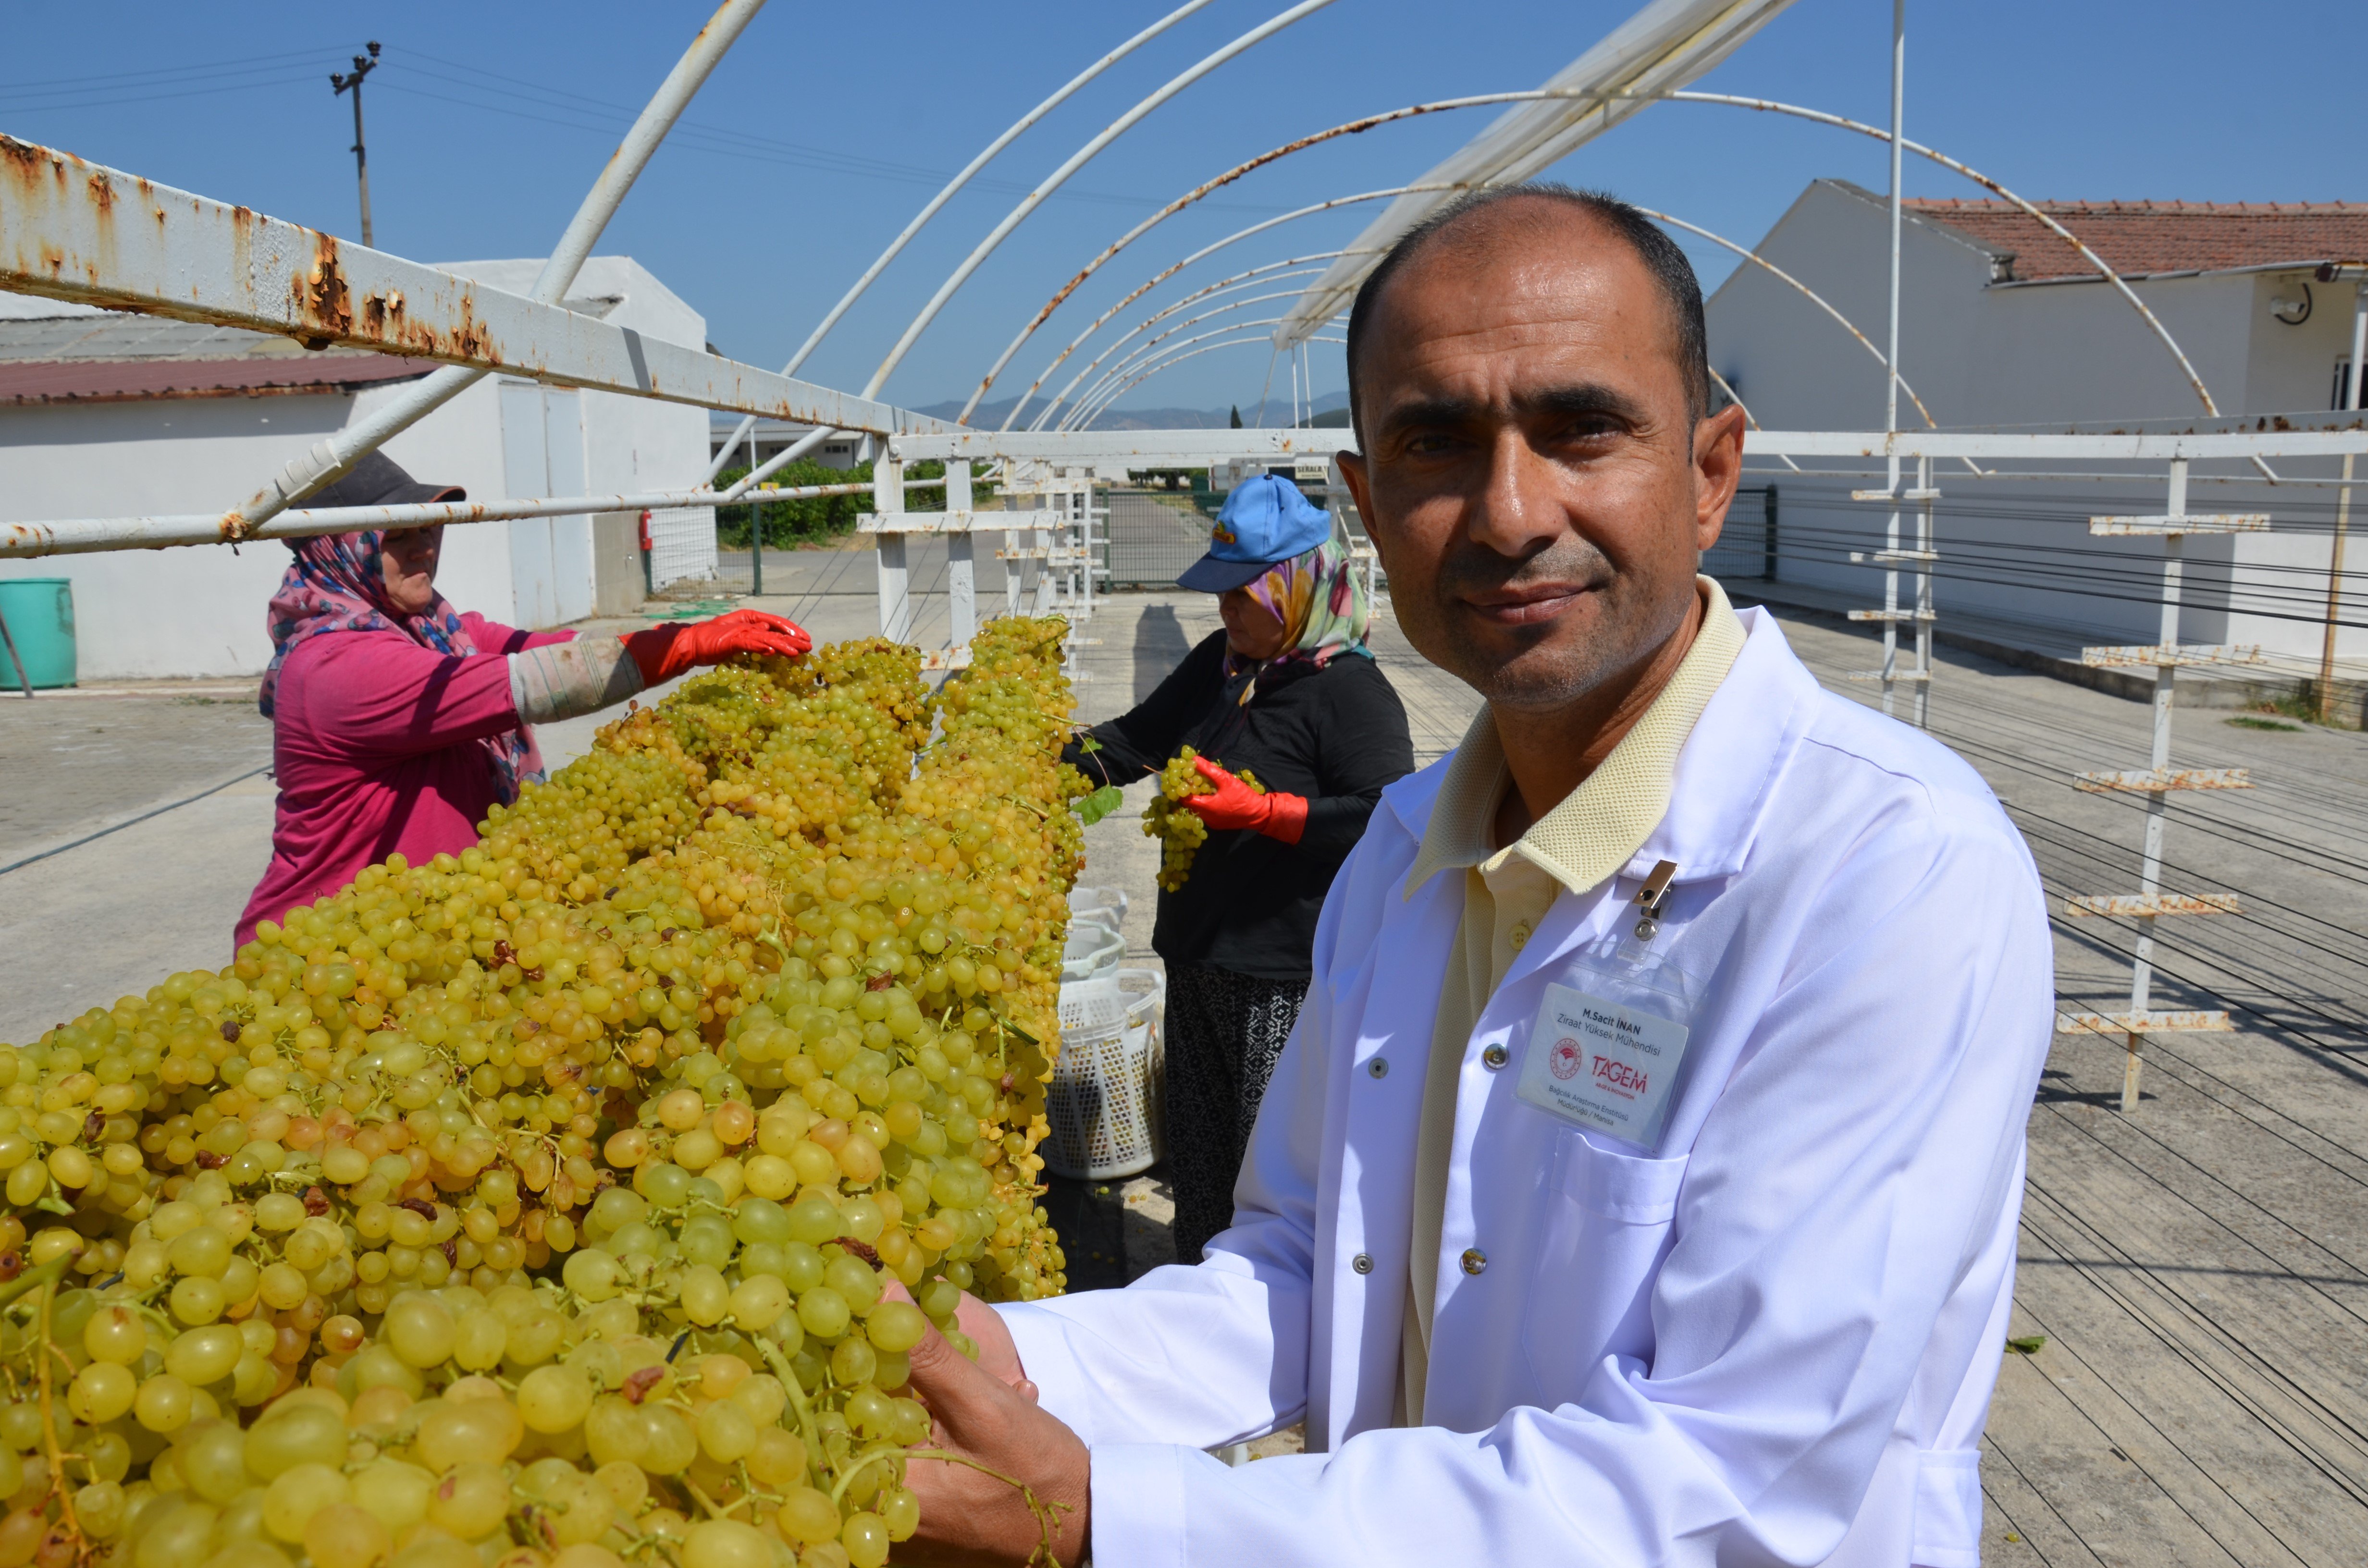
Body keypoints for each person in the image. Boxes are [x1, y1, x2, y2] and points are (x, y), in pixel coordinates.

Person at [897, 185, 2053, 1568]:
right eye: (1435, 443)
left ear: (1711, 469)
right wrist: (996, 1357)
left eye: (1584, 429)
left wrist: (1113, 1518)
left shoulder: (1885, 872)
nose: (1510, 514)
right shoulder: (1405, 847)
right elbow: (1306, 1271)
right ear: (1368, 507)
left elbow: (1735, 1473)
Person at [237, 452, 808, 945]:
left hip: (417, 923)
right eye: (396, 538)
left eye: (427, 529)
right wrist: (686, 646)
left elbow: (551, 649)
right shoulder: (335, 666)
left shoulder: (431, 626)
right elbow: (534, 683)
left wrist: (694, 630)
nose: (424, 551)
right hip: (329, 946)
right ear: (340, 551)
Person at [1061, 473, 1413, 1261]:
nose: (1221, 610)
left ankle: (1278, 1329)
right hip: (1195, 959)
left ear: (1293, 589)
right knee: (1203, 1162)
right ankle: (1199, 1296)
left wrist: (1265, 814)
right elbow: (1133, 741)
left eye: (1237, 594)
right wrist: (1045, 768)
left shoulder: (1350, 695)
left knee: (1274, 1173)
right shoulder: (1222, 667)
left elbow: (1387, 821)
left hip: (1286, 978)